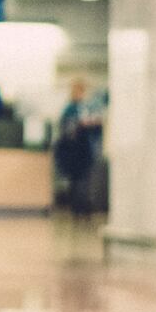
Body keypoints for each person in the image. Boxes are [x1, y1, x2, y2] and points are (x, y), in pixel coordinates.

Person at [53, 79, 104, 216]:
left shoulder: (86, 108)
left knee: (84, 180)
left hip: (84, 151)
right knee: (76, 180)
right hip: (73, 151)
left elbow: (96, 127)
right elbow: (67, 130)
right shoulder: (70, 110)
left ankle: (83, 207)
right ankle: (77, 207)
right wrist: (81, 125)